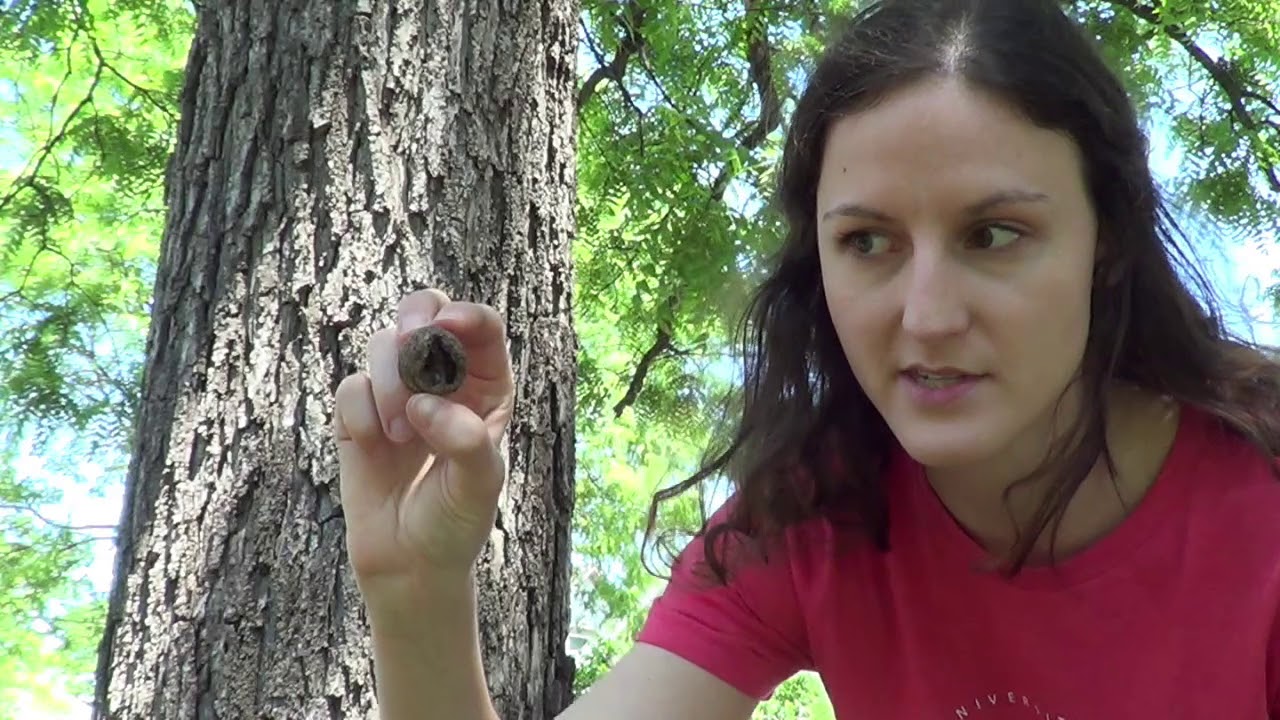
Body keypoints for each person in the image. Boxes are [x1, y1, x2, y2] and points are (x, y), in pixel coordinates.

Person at [331, 0, 1280, 716]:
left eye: (994, 234)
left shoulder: (1258, 503)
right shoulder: (809, 527)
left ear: (1105, 238)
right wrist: (416, 589)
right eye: (868, 241)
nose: (928, 314)